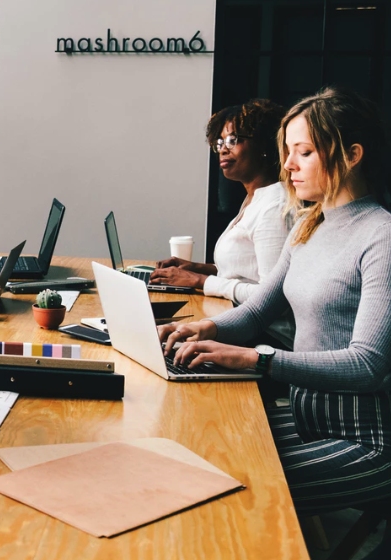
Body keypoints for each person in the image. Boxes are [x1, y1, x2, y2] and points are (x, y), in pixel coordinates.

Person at [159, 87, 391, 514]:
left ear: (352, 154)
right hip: (307, 419)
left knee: (227, 493)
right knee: (191, 454)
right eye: (288, 151)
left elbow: (367, 365)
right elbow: (257, 310)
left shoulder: (382, 235)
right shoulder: (309, 224)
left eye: (304, 153)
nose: (287, 165)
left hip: (366, 439)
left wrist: (253, 359)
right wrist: (199, 328)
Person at [151, 99, 294, 349]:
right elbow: (247, 271)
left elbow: (272, 299)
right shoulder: (254, 198)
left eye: (233, 140)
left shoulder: (274, 206)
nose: (223, 149)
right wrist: (199, 268)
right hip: (241, 321)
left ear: (263, 145)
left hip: (267, 338)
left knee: (161, 342)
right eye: (220, 142)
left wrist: (199, 280)